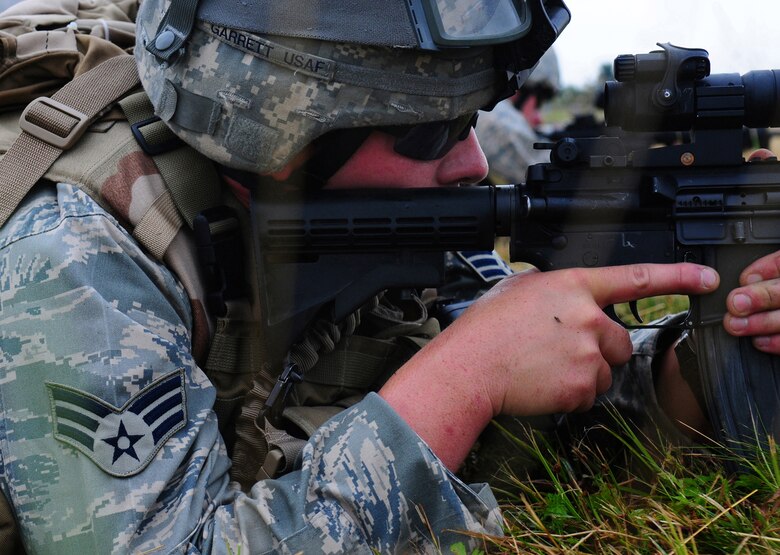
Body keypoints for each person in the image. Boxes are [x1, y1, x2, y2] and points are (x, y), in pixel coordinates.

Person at [1, 1, 780, 554]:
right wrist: (467, 375)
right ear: (289, 135)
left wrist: (705, 364)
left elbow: (550, 421)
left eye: (471, 121)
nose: (473, 161)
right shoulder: (73, 249)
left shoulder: (376, 222)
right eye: (431, 130)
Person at [475, 47, 561, 185]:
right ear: (517, 88)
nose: (539, 118)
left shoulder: (478, 109)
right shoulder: (495, 120)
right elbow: (554, 177)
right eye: (538, 102)